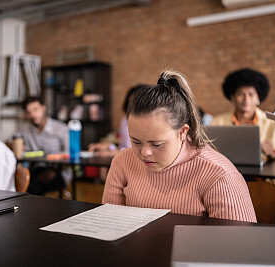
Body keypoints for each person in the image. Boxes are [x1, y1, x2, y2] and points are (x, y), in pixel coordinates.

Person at [102, 69, 257, 223]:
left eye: (156, 144)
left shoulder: (219, 176)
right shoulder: (122, 162)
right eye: (135, 141)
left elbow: (237, 245)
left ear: (183, 132)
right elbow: (109, 226)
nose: (145, 152)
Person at [210, 68, 275, 225]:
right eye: (241, 93)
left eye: (251, 94)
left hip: (265, 182)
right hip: (228, 181)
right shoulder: (217, 122)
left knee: (272, 211)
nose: (246, 98)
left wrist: (274, 153)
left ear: (258, 97)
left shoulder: (274, 123)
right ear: (233, 97)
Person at [16, 96, 71, 195]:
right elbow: (10, 141)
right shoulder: (25, 130)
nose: (33, 114)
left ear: (43, 108)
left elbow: (69, 153)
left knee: (34, 186)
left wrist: (53, 157)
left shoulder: (61, 128)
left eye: (35, 109)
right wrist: (15, 145)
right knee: (18, 180)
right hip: (35, 170)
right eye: (29, 112)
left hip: (58, 171)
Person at [88, 84, 146, 157]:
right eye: (130, 102)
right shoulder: (124, 121)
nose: (132, 106)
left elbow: (136, 152)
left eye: (136, 102)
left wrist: (113, 152)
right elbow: (124, 147)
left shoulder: (147, 124)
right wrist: (109, 147)